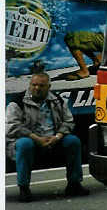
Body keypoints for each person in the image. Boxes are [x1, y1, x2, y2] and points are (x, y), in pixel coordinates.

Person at [6, 72, 90, 202]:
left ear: (49, 86)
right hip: (31, 141)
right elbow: (12, 126)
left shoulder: (57, 100)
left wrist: (57, 137)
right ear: (29, 85)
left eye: (41, 85)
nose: (37, 88)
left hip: (53, 140)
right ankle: (24, 188)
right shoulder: (17, 102)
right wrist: (36, 138)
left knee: (73, 141)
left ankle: (74, 184)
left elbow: (68, 121)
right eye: (34, 85)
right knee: (24, 144)